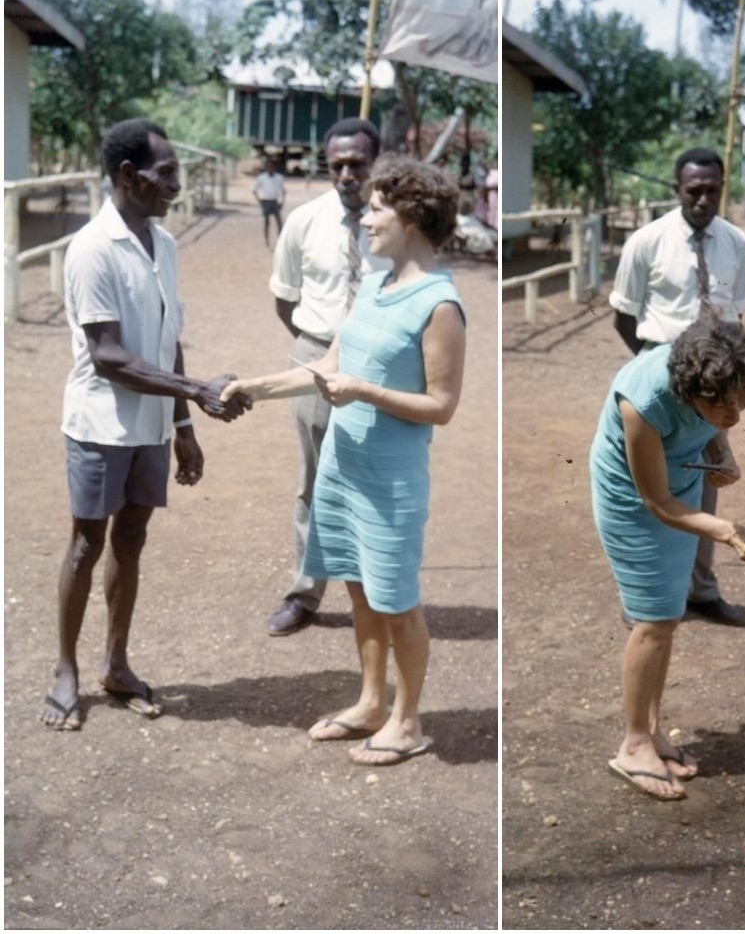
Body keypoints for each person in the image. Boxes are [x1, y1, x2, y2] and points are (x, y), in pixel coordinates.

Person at [222, 157, 465, 766]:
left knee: (397, 601)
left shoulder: (440, 305)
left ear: (412, 217)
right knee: (359, 592)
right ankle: (370, 704)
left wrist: (365, 392)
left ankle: (407, 723)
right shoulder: (376, 287)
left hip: (391, 479)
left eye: (380, 208)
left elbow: (440, 405)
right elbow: (327, 368)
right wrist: (251, 386)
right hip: (344, 467)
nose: (368, 219)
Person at [41, 118, 251, 731]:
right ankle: (65, 669)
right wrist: (196, 391)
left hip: (154, 423)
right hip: (100, 424)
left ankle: (116, 663)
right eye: (166, 176)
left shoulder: (165, 243)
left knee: (131, 539)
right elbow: (108, 357)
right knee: (87, 543)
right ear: (128, 176)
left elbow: (167, 337)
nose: (175, 188)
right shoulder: (91, 249)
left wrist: (185, 423)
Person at [592, 317, 745, 800]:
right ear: (687, 388)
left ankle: (651, 731)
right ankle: (633, 744)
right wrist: (728, 531)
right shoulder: (645, 400)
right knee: (652, 620)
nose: (733, 413)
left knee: (669, 615)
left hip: (683, 480)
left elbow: (713, 423)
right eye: (720, 405)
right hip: (633, 498)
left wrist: (720, 447)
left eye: (742, 400)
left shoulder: (715, 382)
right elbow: (656, 502)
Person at [610, 147, 745, 626]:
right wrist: (661, 374)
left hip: (713, 390)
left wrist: (716, 384)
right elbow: (624, 316)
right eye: (694, 190)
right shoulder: (647, 241)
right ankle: (645, 595)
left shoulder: (735, 242)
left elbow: (736, 318)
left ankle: (701, 590)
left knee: (707, 479)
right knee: (650, 485)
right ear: (677, 189)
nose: (703, 199)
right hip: (662, 379)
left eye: (713, 190)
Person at [265, 118, 390, 637]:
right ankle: (305, 592)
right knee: (313, 481)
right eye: (336, 164)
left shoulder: (399, 225)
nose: (345, 175)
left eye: (356, 164)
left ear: (376, 163)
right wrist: (321, 351)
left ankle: (382, 595)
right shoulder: (304, 221)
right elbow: (284, 298)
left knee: (380, 481)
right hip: (316, 357)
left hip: (382, 366)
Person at [251, 157, 286, 247]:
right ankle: (267, 240)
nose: (270, 168)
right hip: (265, 201)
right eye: (268, 167)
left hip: (275, 201)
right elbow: (254, 190)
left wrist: (282, 202)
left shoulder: (279, 177)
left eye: (272, 167)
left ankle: (280, 240)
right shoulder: (261, 177)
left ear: (274, 167)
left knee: (279, 222)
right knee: (267, 222)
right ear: (266, 168)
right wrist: (259, 201)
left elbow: (283, 190)